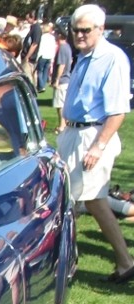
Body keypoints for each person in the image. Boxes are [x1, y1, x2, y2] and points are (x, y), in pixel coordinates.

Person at [59, 4, 134, 284]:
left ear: (100, 30)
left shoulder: (112, 59)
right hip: (75, 133)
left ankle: (73, 263)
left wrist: (98, 146)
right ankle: (121, 262)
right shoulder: (84, 56)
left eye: (85, 30)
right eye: (75, 30)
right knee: (81, 200)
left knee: (89, 200)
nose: (79, 35)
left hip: (93, 136)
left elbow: (117, 112)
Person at [51, 26, 73, 134]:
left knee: (60, 105)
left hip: (63, 80)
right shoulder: (68, 47)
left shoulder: (62, 48)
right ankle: (65, 124)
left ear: (60, 35)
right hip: (67, 79)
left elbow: (62, 65)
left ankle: (62, 126)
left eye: (55, 34)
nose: (54, 36)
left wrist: (56, 80)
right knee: (63, 103)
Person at [35, 22, 57, 92]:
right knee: (45, 72)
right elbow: (53, 48)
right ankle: (43, 85)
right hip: (49, 56)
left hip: (43, 56)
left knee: (40, 71)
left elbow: (41, 47)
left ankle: (41, 86)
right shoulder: (52, 37)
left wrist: (37, 57)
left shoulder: (42, 37)